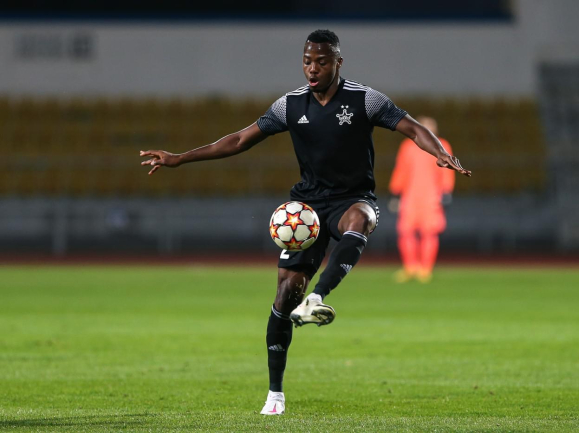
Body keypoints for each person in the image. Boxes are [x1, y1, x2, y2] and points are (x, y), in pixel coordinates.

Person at [140, 29, 471, 416]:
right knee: (285, 296)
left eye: (322, 62)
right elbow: (239, 140)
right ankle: (275, 394)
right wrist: (180, 158)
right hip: (307, 209)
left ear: (338, 63)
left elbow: (413, 128)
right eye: (307, 61)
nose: (313, 69)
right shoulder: (289, 105)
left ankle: (319, 297)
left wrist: (439, 153)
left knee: (362, 219)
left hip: (352, 198)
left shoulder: (365, 99)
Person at [389, 117, 455, 283]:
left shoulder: (442, 146)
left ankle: (425, 268)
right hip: (410, 195)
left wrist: (446, 192)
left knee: (429, 232)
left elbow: (447, 170)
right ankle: (410, 267)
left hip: (431, 196)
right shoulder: (408, 147)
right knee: (405, 231)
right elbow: (401, 170)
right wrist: (396, 193)